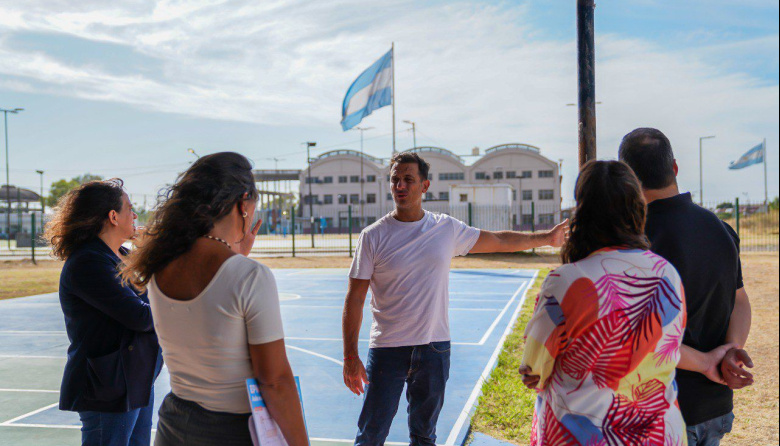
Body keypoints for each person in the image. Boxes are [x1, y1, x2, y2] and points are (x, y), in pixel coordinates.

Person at [342, 151, 568, 446]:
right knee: (371, 435)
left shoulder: (445, 228)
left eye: (408, 179)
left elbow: (498, 240)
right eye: (395, 180)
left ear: (424, 186)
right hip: (387, 349)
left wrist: (546, 238)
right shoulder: (373, 236)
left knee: (424, 437)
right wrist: (350, 356)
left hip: (434, 350)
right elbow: (354, 299)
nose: (400, 185)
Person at [121, 152, 308, 446]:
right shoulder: (249, 276)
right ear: (243, 204)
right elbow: (274, 381)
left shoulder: (159, 264)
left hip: (175, 423)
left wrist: (234, 254)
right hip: (232, 431)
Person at [519, 160, 687, 445]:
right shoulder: (667, 274)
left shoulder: (566, 281)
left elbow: (534, 368)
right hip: (659, 435)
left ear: (581, 212)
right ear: (638, 208)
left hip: (581, 435)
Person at [619, 128, 753, 446]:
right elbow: (740, 301)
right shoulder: (721, 229)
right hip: (715, 405)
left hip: (661, 410)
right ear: (675, 168)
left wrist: (709, 361)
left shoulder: (631, 243)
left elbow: (639, 336)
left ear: (627, 180)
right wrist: (729, 354)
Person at [45, 179, 162, 446]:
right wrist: (176, 307)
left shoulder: (119, 254)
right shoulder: (89, 262)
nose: (135, 215)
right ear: (112, 216)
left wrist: (149, 252)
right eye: (129, 209)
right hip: (108, 385)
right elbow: (142, 317)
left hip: (134, 379)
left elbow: (153, 293)